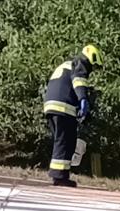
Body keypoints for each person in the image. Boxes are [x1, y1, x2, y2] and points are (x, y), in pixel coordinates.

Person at [43, 45, 102, 187]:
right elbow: (78, 80)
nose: (91, 71)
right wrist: (83, 99)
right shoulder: (79, 63)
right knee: (66, 142)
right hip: (63, 107)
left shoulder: (67, 65)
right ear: (91, 58)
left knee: (61, 141)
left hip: (51, 106)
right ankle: (59, 177)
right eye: (93, 67)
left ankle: (58, 174)